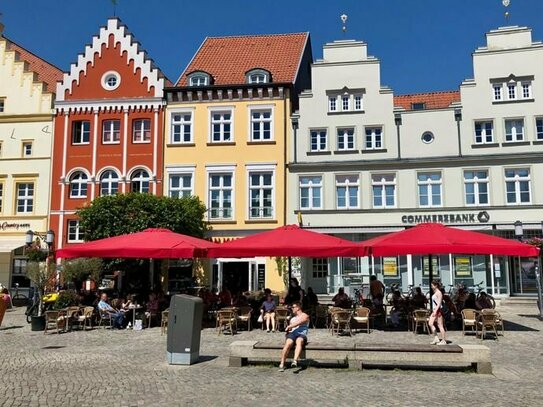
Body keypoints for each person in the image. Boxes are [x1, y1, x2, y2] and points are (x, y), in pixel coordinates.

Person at [279, 301, 309, 373]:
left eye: (293, 307)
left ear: (298, 308)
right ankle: (282, 363)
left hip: (302, 334)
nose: (292, 309)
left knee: (299, 341)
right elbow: (290, 329)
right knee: (288, 343)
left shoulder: (305, 315)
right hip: (292, 334)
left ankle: (295, 361)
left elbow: (299, 322)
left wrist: (290, 326)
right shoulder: (292, 319)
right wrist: (287, 330)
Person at [428, 280, 447, 345]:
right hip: (434, 310)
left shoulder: (439, 293)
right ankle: (436, 338)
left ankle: (444, 340)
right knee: (430, 323)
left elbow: (439, 303)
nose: (431, 287)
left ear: (436, 286)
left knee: (440, 325)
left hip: (437, 310)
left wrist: (436, 311)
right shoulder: (435, 292)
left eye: (432, 285)